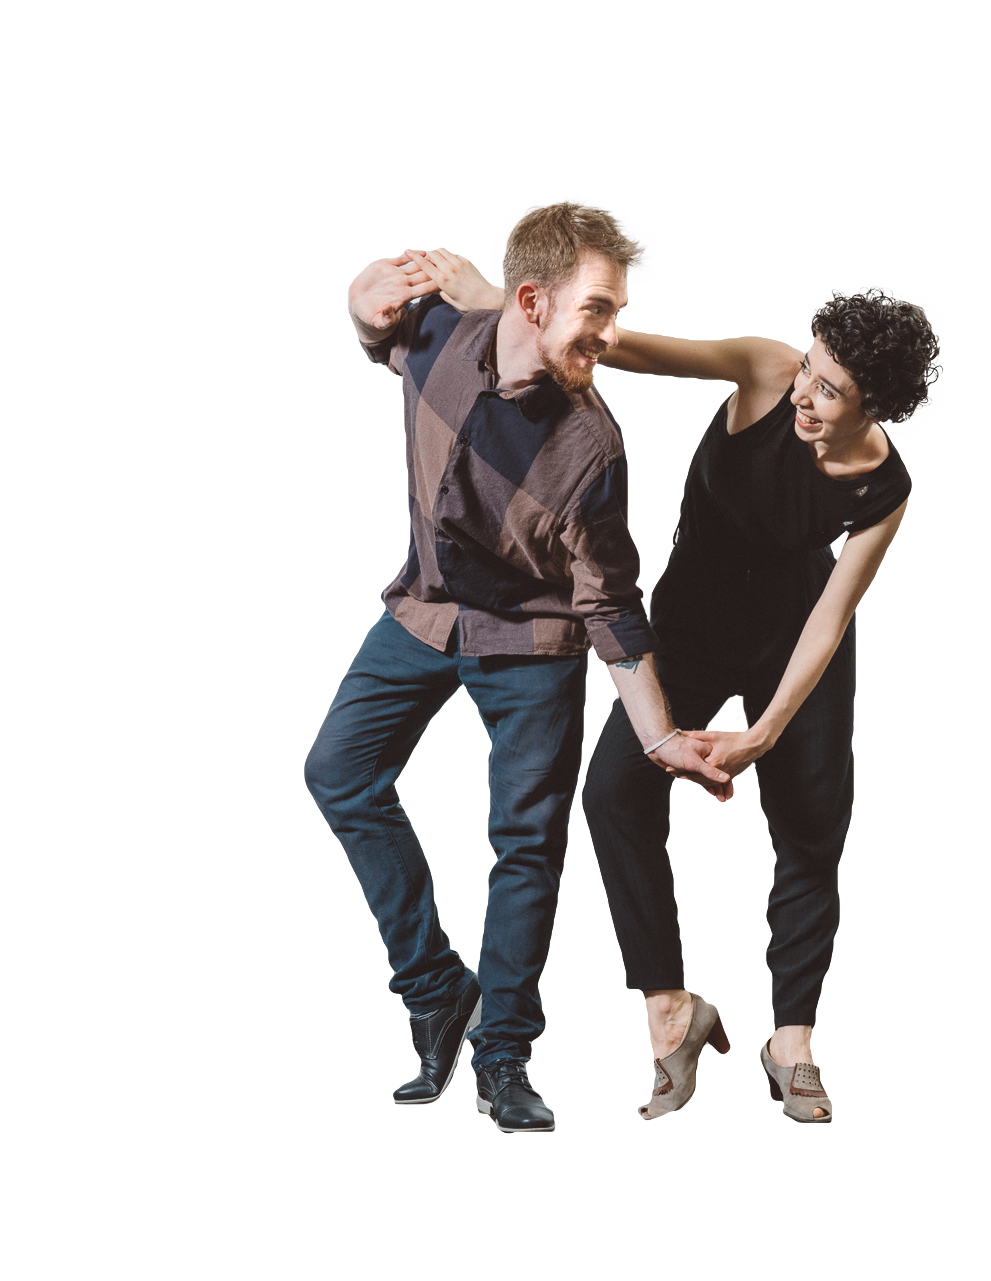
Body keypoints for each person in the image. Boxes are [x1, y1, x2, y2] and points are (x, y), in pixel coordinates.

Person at [406, 247, 941, 1123]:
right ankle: (672, 1007)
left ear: (874, 403)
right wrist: (508, 304)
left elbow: (831, 613)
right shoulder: (765, 369)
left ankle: (791, 1038)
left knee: (810, 828)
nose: (804, 393)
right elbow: (618, 346)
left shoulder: (889, 486)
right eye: (810, 368)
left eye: (831, 389)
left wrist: (764, 731)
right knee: (614, 793)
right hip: (692, 619)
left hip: (795, 632)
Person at [302, 204, 732, 1135]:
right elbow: (378, 333)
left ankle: (503, 1051)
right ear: (531, 301)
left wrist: (660, 735)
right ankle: (435, 991)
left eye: (615, 311)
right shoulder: (436, 337)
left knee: (527, 843)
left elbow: (612, 605)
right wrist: (358, 309)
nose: (610, 335)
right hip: (426, 609)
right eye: (598, 310)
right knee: (338, 771)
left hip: (534, 638)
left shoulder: (591, 448)